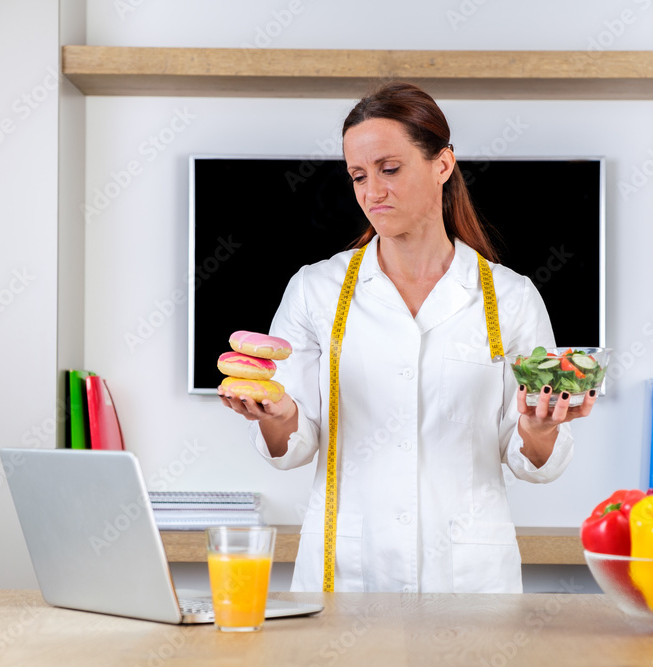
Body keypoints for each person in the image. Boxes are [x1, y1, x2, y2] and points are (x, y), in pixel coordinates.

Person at [219, 82, 596, 594]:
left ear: (443, 164)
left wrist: (542, 429)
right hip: (347, 569)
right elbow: (295, 444)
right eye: (358, 175)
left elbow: (529, 456)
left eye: (389, 169)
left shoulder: (510, 298)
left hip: (468, 580)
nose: (372, 192)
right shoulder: (315, 290)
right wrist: (280, 416)